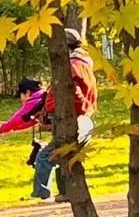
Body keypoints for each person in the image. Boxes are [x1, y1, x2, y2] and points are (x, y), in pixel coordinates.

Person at [31, 31, 98, 201]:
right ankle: (66, 193)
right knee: (67, 156)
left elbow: (72, 90)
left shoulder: (72, 65)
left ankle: (43, 194)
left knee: (48, 156)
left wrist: (63, 111)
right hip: (78, 116)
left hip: (71, 118)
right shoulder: (83, 63)